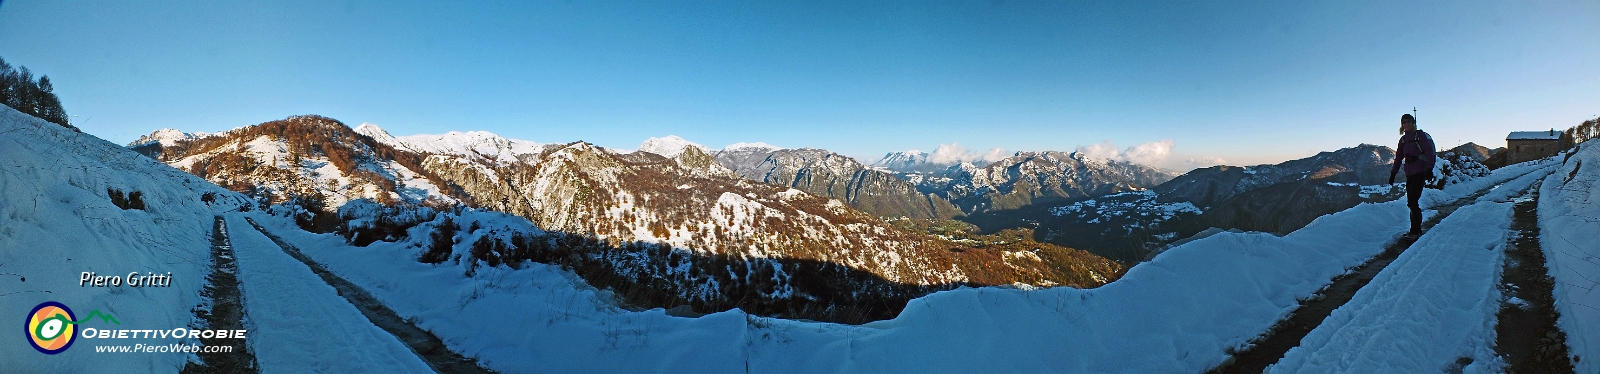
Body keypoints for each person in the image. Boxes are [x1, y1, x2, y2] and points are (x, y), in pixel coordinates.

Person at [1389, 113, 1436, 236]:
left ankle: (1415, 231)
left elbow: (1429, 153)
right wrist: (1393, 173)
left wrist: (1429, 169)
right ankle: (1414, 229)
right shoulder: (1403, 140)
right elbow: (1398, 157)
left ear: (1413, 123)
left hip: (1420, 172)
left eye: (1409, 121)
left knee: (1412, 202)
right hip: (1409, 173)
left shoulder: (1419, 135)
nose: (1406, 124)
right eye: (1404, 122)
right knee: (1411, 202)